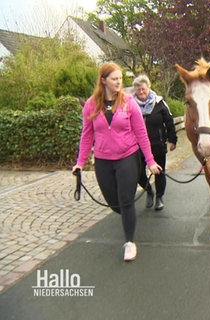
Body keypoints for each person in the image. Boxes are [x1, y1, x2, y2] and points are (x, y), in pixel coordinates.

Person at [72, 62, 161, 262]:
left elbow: (141, 133)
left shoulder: (129, 102)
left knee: (126, 200)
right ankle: (129, 216)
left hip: (127, 158)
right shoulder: (91, 105)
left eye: (120, 78)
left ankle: (129, 242)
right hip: (103, 161)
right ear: (103, 80)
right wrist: (80, 162)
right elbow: (87, 136)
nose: (119, 82)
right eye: (114, 78)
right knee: (114, 203)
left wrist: (150, 161)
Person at [132, 75, 178, 211]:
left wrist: (172, 140)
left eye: (143, 89)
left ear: (149, 87)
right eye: (138, 90)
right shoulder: (131, 104)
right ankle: (149, 191)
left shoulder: (159, 103)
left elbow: (169, 121)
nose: (141, 92)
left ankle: (159, 197)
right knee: (138, 173)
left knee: (159, 172)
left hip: (157, 144)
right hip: (138, 147)